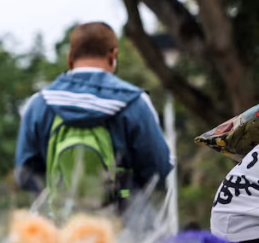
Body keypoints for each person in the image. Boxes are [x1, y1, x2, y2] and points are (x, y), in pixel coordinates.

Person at [14, 22, 172, 203]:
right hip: (123, 222)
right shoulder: (135, 102)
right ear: (113, 56)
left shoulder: (39, 104)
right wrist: (127, 192)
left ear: (70, 58)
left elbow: (24, 174)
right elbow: (158, 170)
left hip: (60, 225)